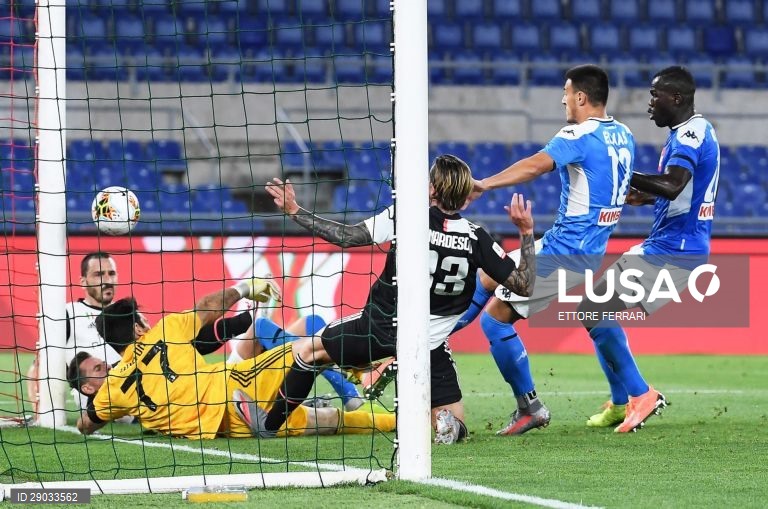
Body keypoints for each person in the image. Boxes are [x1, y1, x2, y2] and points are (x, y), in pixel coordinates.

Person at [258, 154, 537, 444]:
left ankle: (269, 426)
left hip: (380, 327)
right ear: (466, 198)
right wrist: (526, 231)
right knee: (455, 425)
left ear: (432, 189)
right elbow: (525, 285)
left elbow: (347, 237)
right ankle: (444, 422)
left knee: (310, 352)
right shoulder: (477, 238)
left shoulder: (406, 216)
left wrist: (295, 211)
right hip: (430, 341)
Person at [460, 64, 635, 435]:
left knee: (495, 320)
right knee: (488, 275)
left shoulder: (578, 133)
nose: (563, 100)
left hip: (564, 252)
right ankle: (436, 335)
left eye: (566, 93)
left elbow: (536, 164)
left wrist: (485, 184)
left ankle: (530, 407)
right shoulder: (624, 135)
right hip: (578, 247)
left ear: (581, 97)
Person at [68, 277, 395, 438]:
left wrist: (97, 409)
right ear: (138, 328)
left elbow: (86, 425)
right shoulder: (164, 331)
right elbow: (207, 307)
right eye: (143, 320)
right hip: (235, 386)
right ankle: (368, 356)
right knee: (312, 346)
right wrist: (244, 288)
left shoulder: (112, 388)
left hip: (230, 426)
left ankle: (400, 422)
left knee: (329, 422)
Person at [577, 66, 719, 432]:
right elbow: (680, 192)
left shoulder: (689, 134)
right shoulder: (692, 132)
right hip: (673, 245)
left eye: (656, 96)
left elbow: (672, 185)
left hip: (675, 249)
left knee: (594, 309)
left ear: (677, 98)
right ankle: (622, 402)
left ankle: (640, 395)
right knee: (596, 310)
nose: (650, 103)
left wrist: (623, 170)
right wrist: (642, 196)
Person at [27, 252, 122, 414]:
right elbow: (39, 366)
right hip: (98, 404)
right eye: (99, 274)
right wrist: (39, 411)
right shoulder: (68, 314)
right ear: (83, 282)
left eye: (111, 273)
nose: (107, 280)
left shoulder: (129, 313)